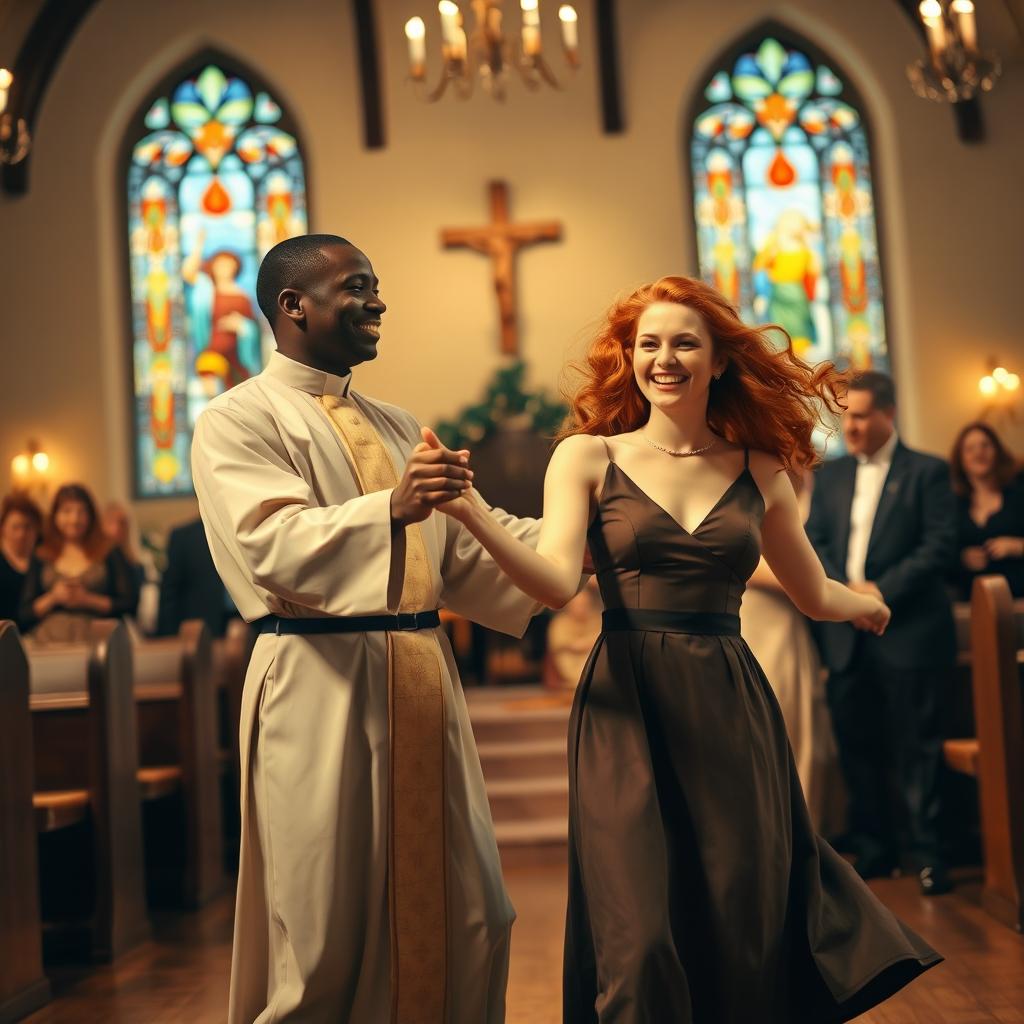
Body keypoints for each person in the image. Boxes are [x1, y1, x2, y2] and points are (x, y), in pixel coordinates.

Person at [437, 277, 940, 1022]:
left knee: (741, 918)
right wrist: (467, 507)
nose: (663, 358)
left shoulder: (760, 467)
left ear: (718, 360)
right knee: (635, 936)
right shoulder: (585, 456)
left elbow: (810, 590)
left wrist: (863, 603)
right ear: (629, 358)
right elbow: (551, 582)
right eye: (648, 344)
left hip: (731, 706)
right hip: (625, 700)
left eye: (683, 342)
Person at [190, 234, 543, 1024]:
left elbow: (462, 543)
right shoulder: (235, 419)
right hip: (319, 686)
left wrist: (582, 542)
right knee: (322, 934)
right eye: (357, 286)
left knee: (473, 913)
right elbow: (269, 547)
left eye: (376, 285)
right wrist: (391, 506)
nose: (377, 301)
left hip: (420, 676)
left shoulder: (395, 422)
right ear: (293, 305)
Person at [805, 371, 957, 896]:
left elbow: (939, 546)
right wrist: (846, 596)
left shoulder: (928, 472)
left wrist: (879, 592)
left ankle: (930, 855)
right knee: (857, 745)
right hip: (847, 635)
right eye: (846, 414)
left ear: (889, 415)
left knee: (918, 748)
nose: (850, 425)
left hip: (909, 632)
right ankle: (874, 850)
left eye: (862, 414)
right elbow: (815, 540)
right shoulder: (829, 476)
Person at [740, 471, 843, 835]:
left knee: (796, 726)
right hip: (751, 619)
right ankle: (761, 831)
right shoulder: (744, 479)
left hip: (790, 623)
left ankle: (801, 830)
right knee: (755, 731)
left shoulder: (822, 488)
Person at [19, 483, 138, 643]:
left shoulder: (109, 551)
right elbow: (24, 613)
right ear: (55, 516)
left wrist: (87, 599)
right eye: (67, 511)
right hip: (48, 641)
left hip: (98, 640)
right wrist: (54, 597)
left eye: (81, 512)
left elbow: (130, 603)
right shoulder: (41, 553)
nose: (74, 519)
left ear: (91, 516)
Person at [949, 421, 1024, 598]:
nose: (978, 452)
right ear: (960, 460)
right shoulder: (952, 504)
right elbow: (940, 554)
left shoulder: (1019, 493)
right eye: (970, 448)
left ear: (997, 451)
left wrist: (1017, 547)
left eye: (985, 445)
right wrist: (962, 558)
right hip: (971, 602)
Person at [156, 517, 237, 638]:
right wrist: (169, 640)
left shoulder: (253, 531)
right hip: (203, 632)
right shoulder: (184, 537)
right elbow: (170, 596)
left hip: (256, 629)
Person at [0, 492, 42, 625]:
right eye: (15, 527)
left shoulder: (42, 561)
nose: (21, 534)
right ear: (3, 528)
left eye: (27, 527)